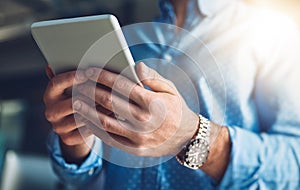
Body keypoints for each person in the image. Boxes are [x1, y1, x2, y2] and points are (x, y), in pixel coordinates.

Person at [43, 0, 300, 189]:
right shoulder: (131, 38)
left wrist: (190, 136)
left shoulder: (274, 32)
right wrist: (76, 143)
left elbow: (294, 166)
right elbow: (80, 179)